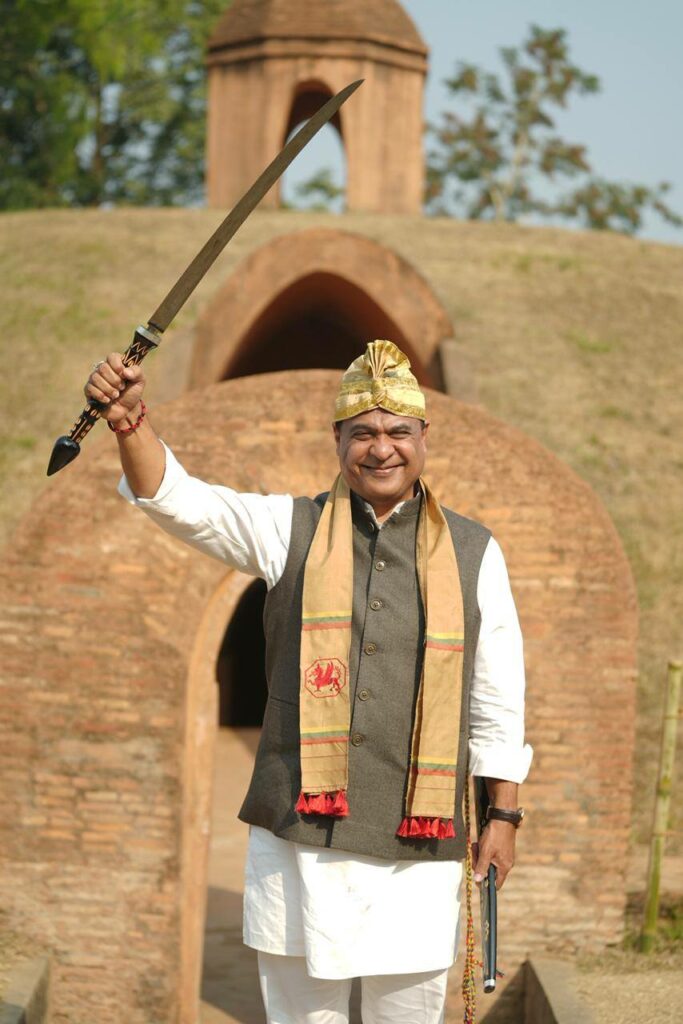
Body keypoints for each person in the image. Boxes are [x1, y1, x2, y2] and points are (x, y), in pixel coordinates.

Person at [84, 340, 532, 1024]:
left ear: (423, 437)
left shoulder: (475, 552)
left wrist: (503, 817)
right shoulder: (287, 528)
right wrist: (127, 421)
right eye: (363, 433)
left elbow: (495, 697)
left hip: (418, 845)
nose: (381, 448)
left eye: (397, 431)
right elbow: (178, 501)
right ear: (337, 440)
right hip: (297, 838)